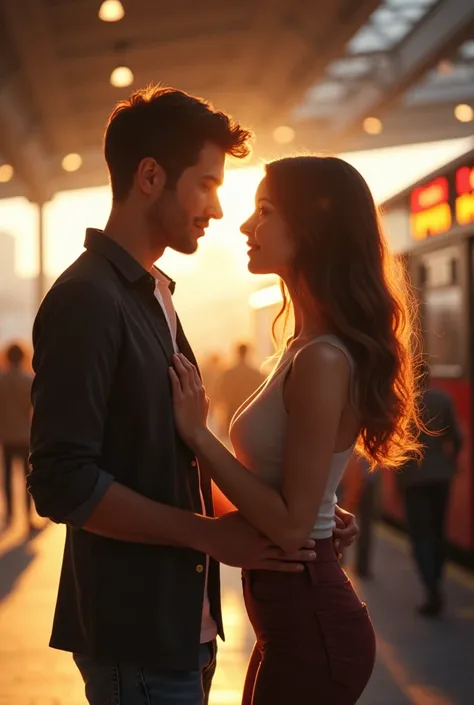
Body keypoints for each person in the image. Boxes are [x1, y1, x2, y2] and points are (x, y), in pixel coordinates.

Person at [27, 87, 358, 705]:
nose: (217, 208)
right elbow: (62, 482)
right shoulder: (89, 300)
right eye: (206, 184)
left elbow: (160, 460)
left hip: (179, 629)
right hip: (137, 636)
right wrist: (207, 535)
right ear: (151, 177)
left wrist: (294, 517)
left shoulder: (152, 294)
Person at [169, 155, 424, 704]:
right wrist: (324, 506)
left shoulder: (322, 360)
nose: (244, 225)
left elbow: (289, 528)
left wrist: (198, 435)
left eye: (264, 211)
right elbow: (296, 497)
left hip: (312, 625)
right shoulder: (300, 347)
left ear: (312, 230)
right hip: (291, 620)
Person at [397, 361, 462, 617]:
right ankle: (437, 582)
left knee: (420, 535)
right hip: (441, 477)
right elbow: (456, 437)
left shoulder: (403, 405)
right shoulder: (444, 399)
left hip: (414, 480)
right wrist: (452, 461)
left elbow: (396, 446)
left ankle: (432, 589)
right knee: (438, 531)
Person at [0, 342, 33, 529]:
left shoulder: (1, 381)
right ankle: (28, 518)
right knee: (27, 477)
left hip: (6, 435)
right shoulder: (27, 380)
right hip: (23, 435)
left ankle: (10, 515)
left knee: (7, 478)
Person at [214, 343, 265, 439]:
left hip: (232, 410)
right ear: (248, 353)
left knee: (230, 439)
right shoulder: (255, 373)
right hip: (249, 410)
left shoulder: (228, 373)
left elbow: (220, 392)